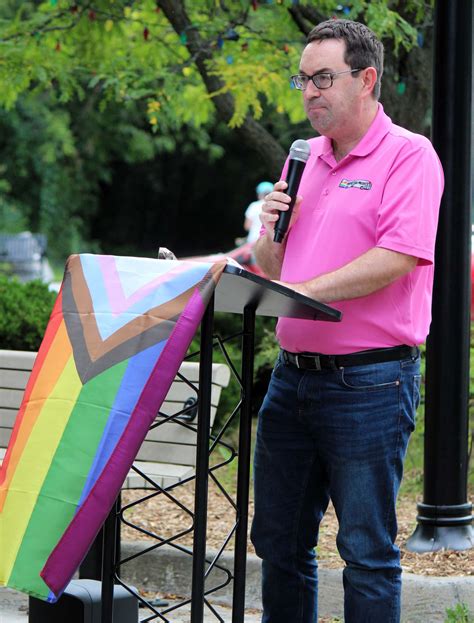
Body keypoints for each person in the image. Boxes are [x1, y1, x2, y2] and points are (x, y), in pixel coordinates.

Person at [250, 18, 443, 623]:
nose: (310, 91)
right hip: (291, 380)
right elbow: (269, 262)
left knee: (365, 552)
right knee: (277, 542)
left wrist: (300, 290)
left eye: (323, 78)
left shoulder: (409, 156)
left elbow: (398, 255)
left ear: (366, 79)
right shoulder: (301, 157)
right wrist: (274, 224)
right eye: (303, 79)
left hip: (369, 385)